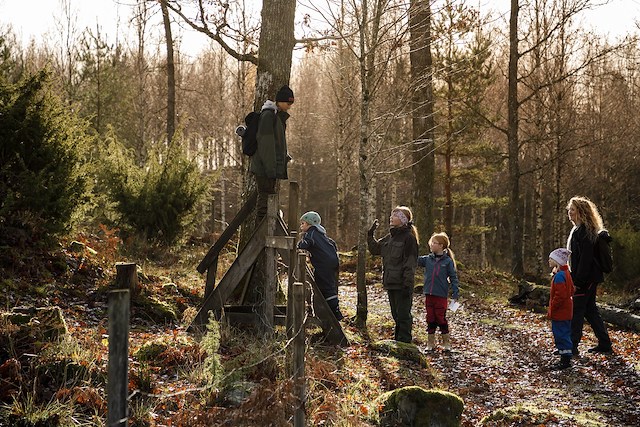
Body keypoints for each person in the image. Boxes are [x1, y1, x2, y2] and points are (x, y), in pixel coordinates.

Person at [566, 196, 613, 355]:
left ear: (581, 212)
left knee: (577, 310)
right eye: (569, 209)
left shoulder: (585, 231)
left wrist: (578, 281)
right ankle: (605, 344)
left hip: (586, 279)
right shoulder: (578, 229)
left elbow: (585, 260)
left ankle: (571, 347)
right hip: (587, 278)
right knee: (590, 310)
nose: (569, 212)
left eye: (572, 210)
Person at [367, 206, 419, 343]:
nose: (391, 217)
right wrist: (370, 234)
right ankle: (398, 342)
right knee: (396, 315)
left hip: (402, 284)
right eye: (391, 215)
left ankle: (405, 343)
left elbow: (410, 263)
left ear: (403, 220)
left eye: (395, 215)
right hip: (390, 282)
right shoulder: (390, 237)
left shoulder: (409, 239)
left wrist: (407, 285)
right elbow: (375, 249)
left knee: (403, 316)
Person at [250, 85, 294, 224]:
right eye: (288, 103)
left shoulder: (275, 117)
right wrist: (271, 169)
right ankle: (259, 237)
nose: (289, 106)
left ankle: (263, 234)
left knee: (267, 200)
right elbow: (266, 145)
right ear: (280, 101)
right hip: (265, 168)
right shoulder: (268, 116)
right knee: (265, 202)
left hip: (268, 167)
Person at [297, 211, 343, 321]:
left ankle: (335, 311)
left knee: (326, 287)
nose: (301, 226)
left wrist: (298, 244)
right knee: (325, 284)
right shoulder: (320, 234)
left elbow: (304, 244)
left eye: (303, 223)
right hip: (331, 262)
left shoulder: (311, 234)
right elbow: (331, 243)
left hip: (323, 264)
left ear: (309, 224)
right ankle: (330, 309)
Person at [418, 232, 459, 352]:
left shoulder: (447, 262)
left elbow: (453, 277)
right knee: (430, 318)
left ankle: (446, 343)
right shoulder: (427, 259)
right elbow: (414, 259)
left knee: (440, 318)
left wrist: (455, 293)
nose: (431, 245)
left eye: (434, 243)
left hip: (441, 295)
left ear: (441, 245)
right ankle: (430, 343)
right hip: (428, 294)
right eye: (431, 242)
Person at [547, 247, 575, 370]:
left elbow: (560, 295)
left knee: (561, 333)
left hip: (561, 311)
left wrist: (553, 307)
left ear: (557, 261)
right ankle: (564, 353)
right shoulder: (566, 273)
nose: (549, 261)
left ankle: (565, 359)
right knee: (564, 331)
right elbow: (572, 290)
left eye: (551, 259)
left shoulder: (559, 277)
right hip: (567, 309)